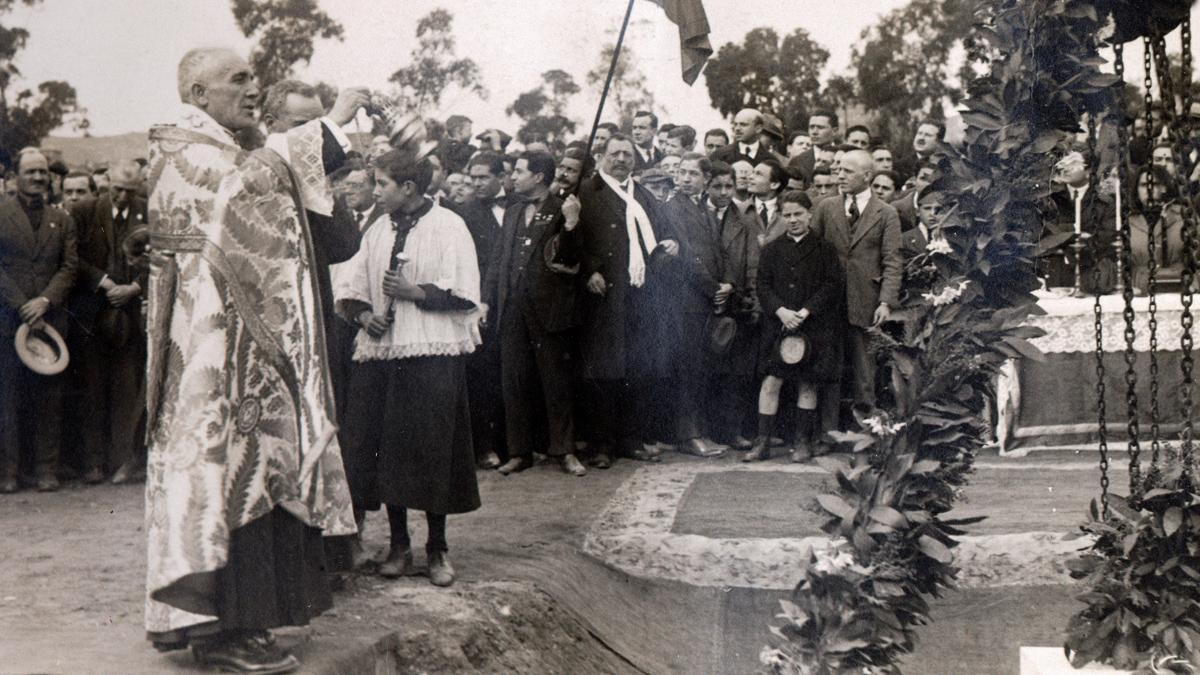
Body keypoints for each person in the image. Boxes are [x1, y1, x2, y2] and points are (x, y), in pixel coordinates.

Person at [142, 48, 357, 672]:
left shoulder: (224, 146)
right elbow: (250, 188)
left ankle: (235, 624)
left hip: (244, 353)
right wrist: (331, 126)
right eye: (237, 79)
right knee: (222, 476)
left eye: (252, 76)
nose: (252, 87)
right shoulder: (184, 149)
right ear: (197, 93)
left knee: (252, 474)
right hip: (212, 358)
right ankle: (218, 633)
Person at [336, 147, 482, 586]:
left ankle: (437, 548)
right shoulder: (376, 230)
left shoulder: (450, 226)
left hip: (432, 352)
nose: (375, 192)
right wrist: (366, 317)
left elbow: (466, 291)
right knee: (387, 448)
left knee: (432, 448)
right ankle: (399, 544)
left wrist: (415, 292)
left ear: (410, 188)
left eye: (382, 184)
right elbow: (350, 286)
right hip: (384, 354)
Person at [572, 133, 678, 467]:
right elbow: (571, 237)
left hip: (639, 295)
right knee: (603, 371)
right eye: (614, 153)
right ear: (601, 156)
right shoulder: (586, 192)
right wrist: (589, 270)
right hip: (602, 296)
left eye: (627, 155)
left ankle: (630, 439)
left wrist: (672, 243)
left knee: (636, 368)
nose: (621, 160)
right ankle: (603, 444)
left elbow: (663, 231)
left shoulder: (641, 194)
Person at [482, 152, 586, 476]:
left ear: (539, 176)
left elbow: (571, 258)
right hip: (511, 308)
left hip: (549, 308)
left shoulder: (562, 208)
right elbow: (499, 260)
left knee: (556, 383)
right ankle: (519, 452)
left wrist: (571, 223)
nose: (513, 177)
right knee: (513, 381)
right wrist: (487, 300)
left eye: (519, 172)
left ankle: (564, 451)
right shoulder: (513, 212)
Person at [0, 148, 77, 493]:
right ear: (16, 175)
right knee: (8, 396)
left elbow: (69, 266)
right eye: (30, 171)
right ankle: (10, 472)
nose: (37, 178)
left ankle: (46, 469)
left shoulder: (61, 220)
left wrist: (45, 301)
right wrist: (21, 304)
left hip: (50, 319)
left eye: (43, 172)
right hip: (7, 318)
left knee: (49, 395)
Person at [747, 190, 845, 462]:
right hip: (779, 325)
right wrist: (781, 311)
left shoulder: (825, 249)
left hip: (812, 325)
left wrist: (804, 312)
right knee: (771, 381)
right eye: (786, 215)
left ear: (809, 214)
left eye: (798, 214)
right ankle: (762, 440)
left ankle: (803, 441)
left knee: (808, 383)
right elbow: (762, 285)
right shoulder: (771, 249)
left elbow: (831, 285)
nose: (792, 220)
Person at [67, 160, 149, 485]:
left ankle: (123, 461)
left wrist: (135, 287)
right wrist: (105, 283)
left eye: (130, 191)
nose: (123, 197)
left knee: (127, 389)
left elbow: (159, 257)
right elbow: (74, 257)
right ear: (107, 184)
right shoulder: (86, 211)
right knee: (92, 387)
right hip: (93, 313)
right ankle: (93, 462)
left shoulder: (148, 211)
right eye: (117, 189)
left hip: (129, 316)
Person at [811, 149, 902, 416]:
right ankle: (827, 434)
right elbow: (812, 252)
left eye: (848, 171)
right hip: (829, 302)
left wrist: (886, 302)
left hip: (866, 301)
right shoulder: (827, 207)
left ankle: (865, 434)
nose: (840, 176)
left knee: (865, 373)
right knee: (829, 369)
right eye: (839, 170)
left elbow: (893, 261)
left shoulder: (886, 214)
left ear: (867, 176)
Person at [661, 152, 729, 457]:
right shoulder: (674, 208)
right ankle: (688, 435)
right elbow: (688, 255)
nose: (686, 178)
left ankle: (697, 431)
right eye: (682, 172)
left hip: (702, 300)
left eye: (693, 174)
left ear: (705, 179)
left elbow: (716, 252)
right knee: (688, 367)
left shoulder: (701, 207)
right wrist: (713, 288)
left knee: (700, 367)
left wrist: (725, 286)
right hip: (686, 300)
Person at [704, 161, 762, 448]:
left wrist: (748, 296)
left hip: (735, 302)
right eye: (717, 186)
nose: (724, 192)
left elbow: (752, 263)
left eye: (729, 186)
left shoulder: (744, 220)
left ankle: (731, 429)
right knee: (705, 369)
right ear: (707, 185)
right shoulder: (699, 214)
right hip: (703, 301)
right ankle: (703, 430)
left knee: (736, 372)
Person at [1128, 165, 1185, 294]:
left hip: (1178, 286)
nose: (1148, 190)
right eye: (1143, 185)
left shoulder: (1182, 217)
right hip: (1139, 287)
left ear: (1164, 187)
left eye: (1153, 184)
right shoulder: (1127, 221)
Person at [788, 111, 840, 184]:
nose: (814, 132)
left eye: (820, 127)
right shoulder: (797, 161)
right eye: (811, 127)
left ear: (834, 131)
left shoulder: (845, 155)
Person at [750, 160, 788, 244]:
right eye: (752, 172)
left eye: (758, 174)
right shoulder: (739, 209)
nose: (751, 177)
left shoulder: (787, 212)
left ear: (774, 184)